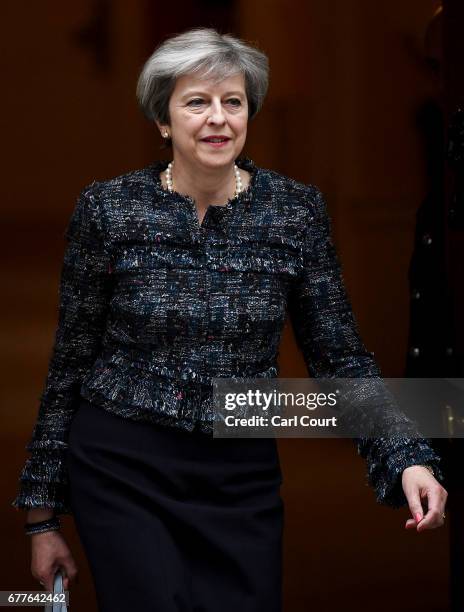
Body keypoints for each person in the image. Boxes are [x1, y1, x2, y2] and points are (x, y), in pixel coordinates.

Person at [12, 27, 447, 612]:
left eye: (233, 102)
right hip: (122, 467)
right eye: (197, 102)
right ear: (163, 120)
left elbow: (339, 353)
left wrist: (407, 456)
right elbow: (70, 363)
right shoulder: (109, 210)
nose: (218, 118)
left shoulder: (294, 212)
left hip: (238, 472)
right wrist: (42, 519)